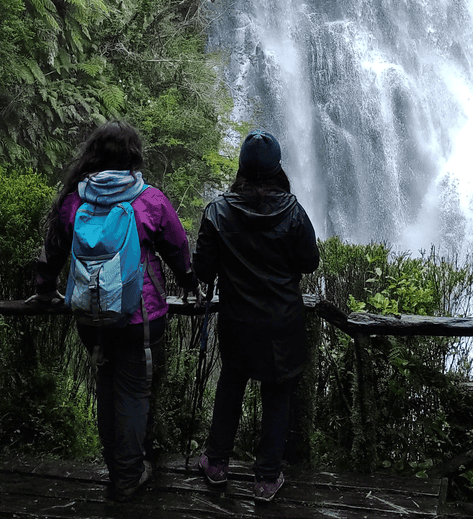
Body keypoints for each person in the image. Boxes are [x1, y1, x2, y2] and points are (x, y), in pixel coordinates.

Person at [28, 119, 199, 502]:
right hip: (141, 316)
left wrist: (44, 290)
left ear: (94, 155)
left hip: (90, 316)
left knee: (106, 387)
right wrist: (190, 285)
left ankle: (115, 470)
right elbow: (177, 249)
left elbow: (51, 253)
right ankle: (129, 476)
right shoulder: (149, 199)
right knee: (135, 393)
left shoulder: (74, 200)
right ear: (134, 157)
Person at [192, 129, 319, 505]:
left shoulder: (217, 210)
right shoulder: (293, 211)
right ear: (278, 168)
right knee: (277, 394)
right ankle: (265, 480)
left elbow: (203, 268)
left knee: (231, 386)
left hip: (237, 320)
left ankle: (215, 465)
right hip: (282, 321)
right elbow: (309, 262)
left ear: (241, 168)